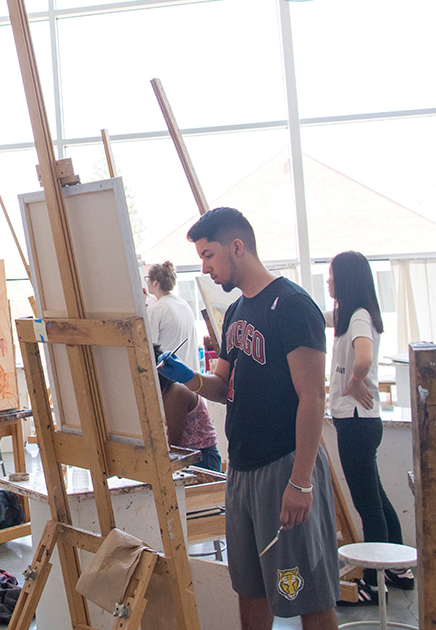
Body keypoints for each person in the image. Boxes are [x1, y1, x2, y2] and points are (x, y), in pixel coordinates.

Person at [158, 207, 338, 629]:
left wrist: (301, 480)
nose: (205, 267)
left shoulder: (293, 306)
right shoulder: (236, 313)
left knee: (309, 593)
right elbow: (224, 386)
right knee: (250, 589)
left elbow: (312, 398)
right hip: (241, 469)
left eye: (209, 255)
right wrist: (188, 379)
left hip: (284, 467)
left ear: (237, 247)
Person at [325, 251, 411, 603]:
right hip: (364, 423)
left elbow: (364, 357)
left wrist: (355, 380)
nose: (327, 281)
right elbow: (317, 317)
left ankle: (375, 584)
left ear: (345, 280)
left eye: (330, 276)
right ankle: (397, 567)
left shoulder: (359, 318)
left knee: (367, 505)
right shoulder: (354, 314)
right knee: (376, 496)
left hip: (356, 424)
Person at [146, 261, 221, 473]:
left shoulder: (158, 309)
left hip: (201, 461)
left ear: (155, 282)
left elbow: (169, 447)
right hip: (183, 375)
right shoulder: (181, 304)